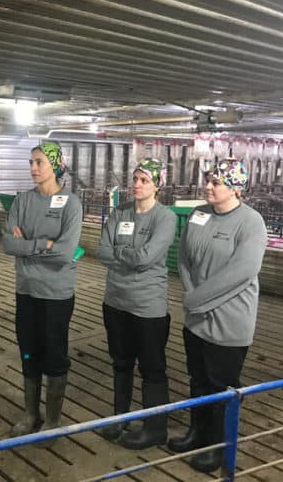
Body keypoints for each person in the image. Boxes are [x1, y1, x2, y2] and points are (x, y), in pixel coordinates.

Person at [169, 158, 267, 473]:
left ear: (235, 188)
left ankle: (218, 445)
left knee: (220, 385)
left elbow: (242, 272)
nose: (208, 187)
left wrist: (196, 298)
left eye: (216, 182)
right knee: (197, 380)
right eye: (208, 180)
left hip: (229, 321)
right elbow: (183, 256)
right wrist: (191, 293)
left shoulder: (251, 222)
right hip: (196, 318)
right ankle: (197, 433)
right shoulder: (199, 214)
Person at [2, 142, 82, 443]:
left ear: (55, 165)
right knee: (28, 351)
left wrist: (29, 247)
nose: (33, 168)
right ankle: (30, 414)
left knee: (55, 354)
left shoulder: (71, 204)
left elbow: (65, 253)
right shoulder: (23, 201)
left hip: (56, 294)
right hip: (27, 291)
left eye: (39, 162)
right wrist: (44, 244)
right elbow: (8, 242)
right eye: (31, 162)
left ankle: (52, 419)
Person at [97, 158, 177, 449]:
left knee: (152, 367)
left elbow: (147, 258)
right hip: (115, 301)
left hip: (147, 306)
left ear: (157, 185)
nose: (137, 184)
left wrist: (123, 252)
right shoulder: (120, 211)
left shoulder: (165, 218)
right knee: (121, 362)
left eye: (144, 180)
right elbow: (102, 250)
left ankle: (155, 427)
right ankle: (120, 418)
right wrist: (129, 253)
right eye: (135, 179)